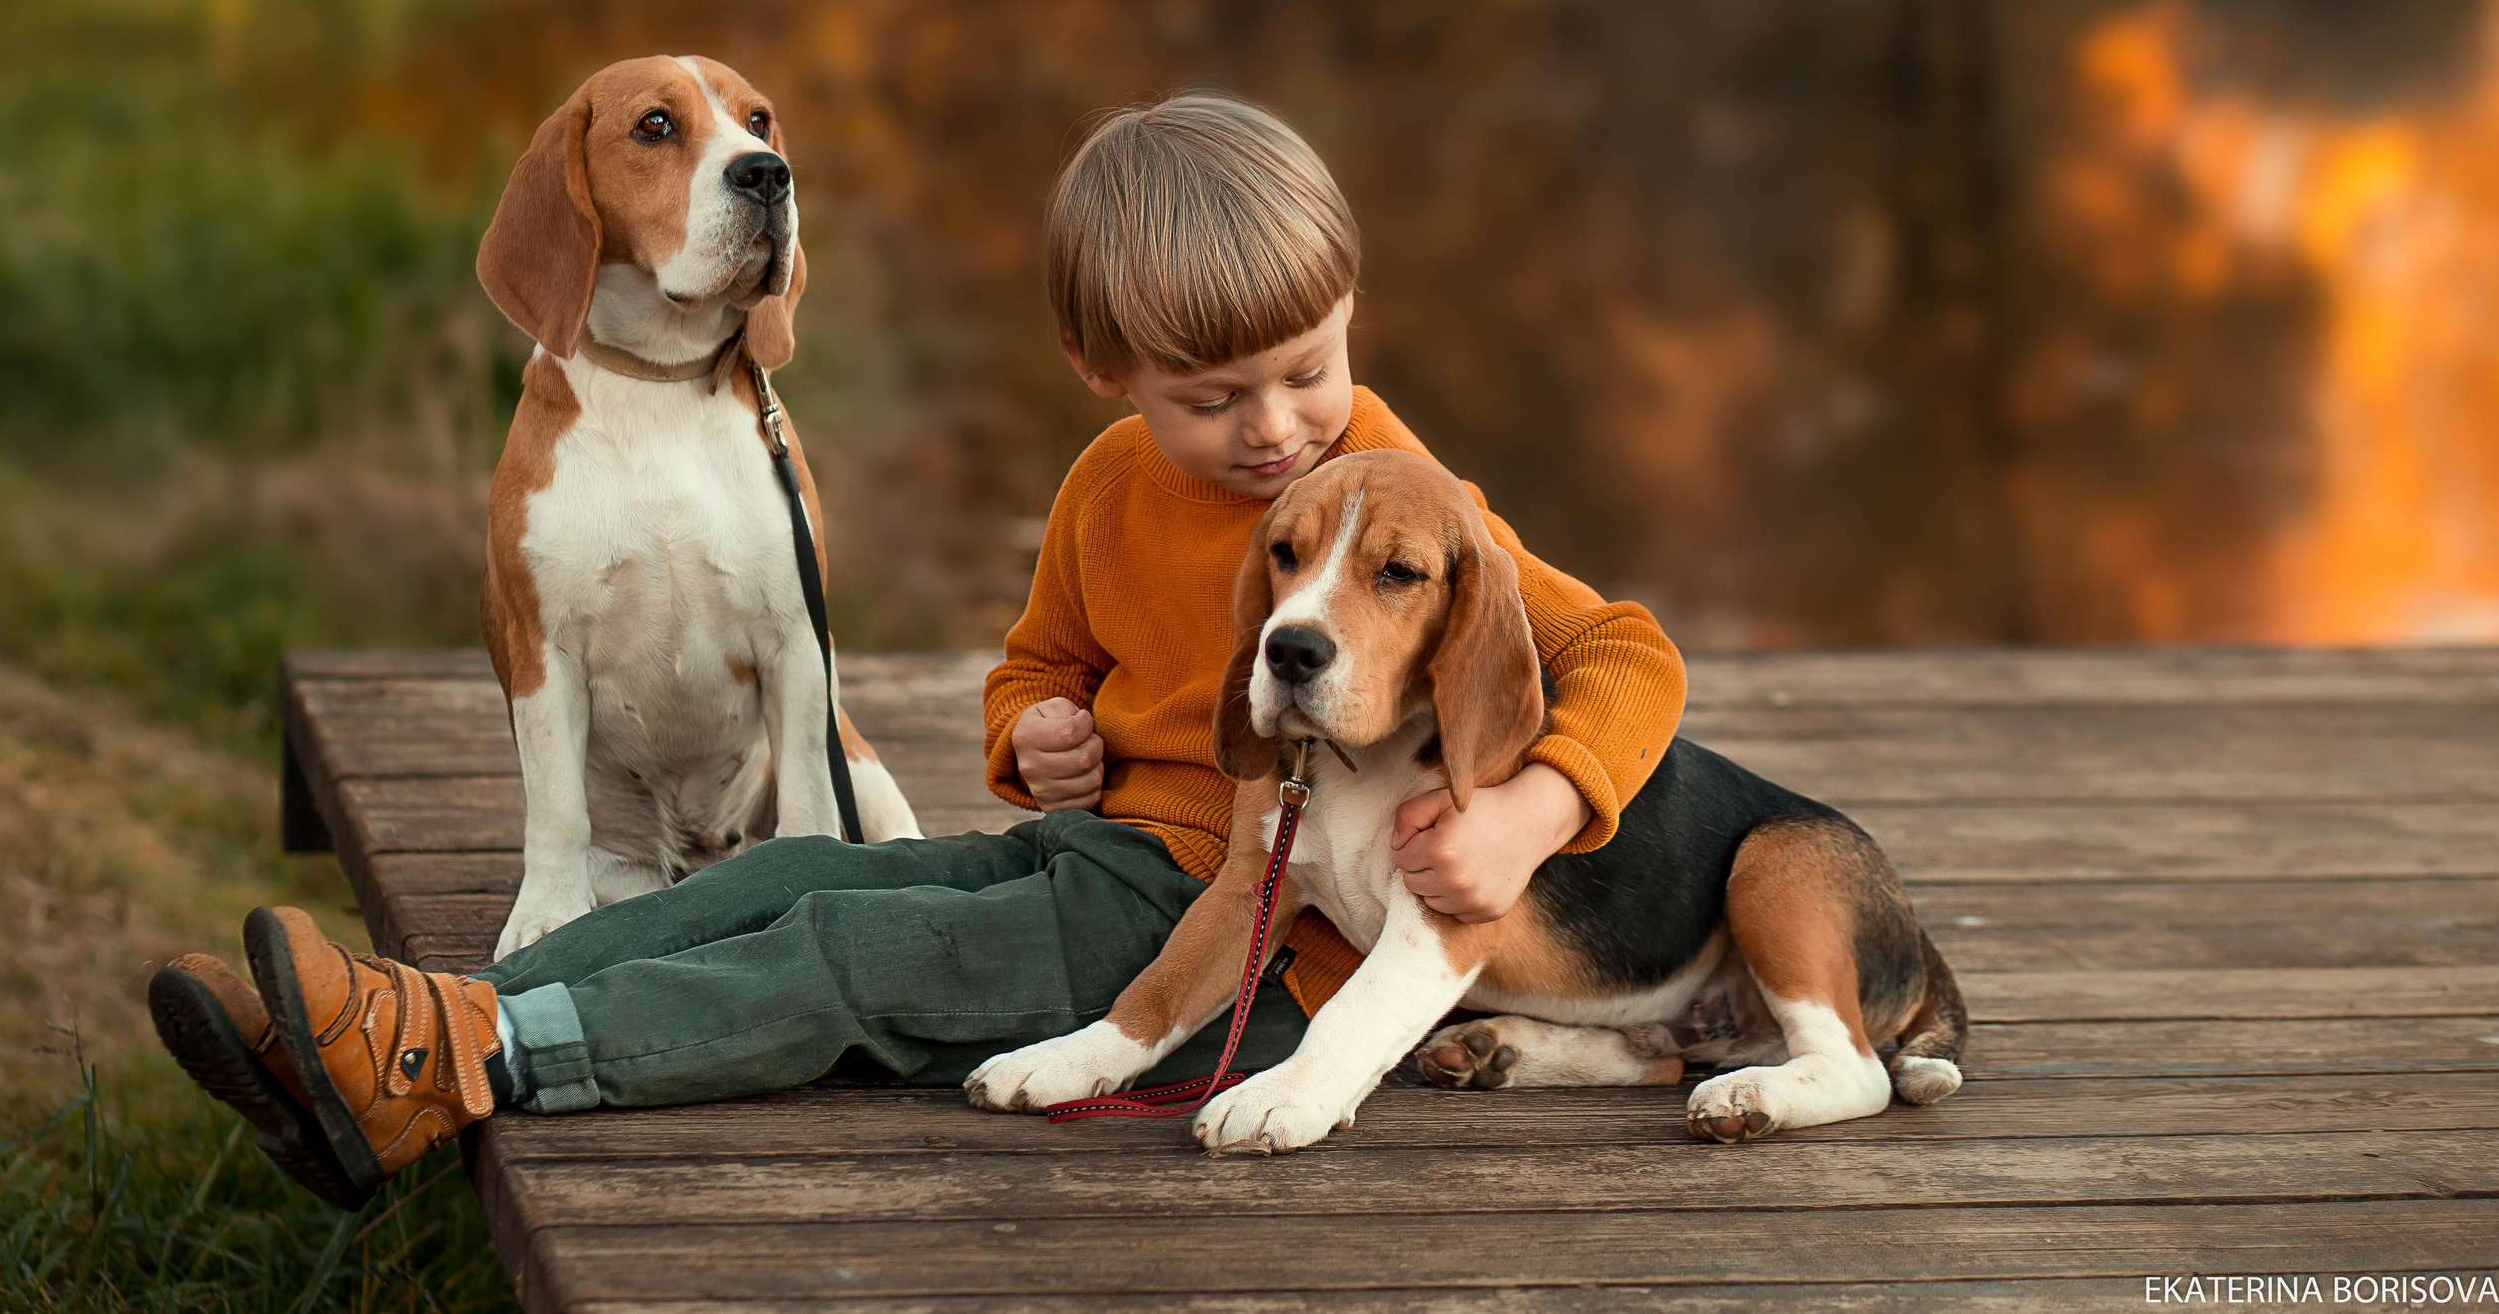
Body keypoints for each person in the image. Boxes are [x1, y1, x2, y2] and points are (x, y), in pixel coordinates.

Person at [146, 91, 1689, 1206]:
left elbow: (1628, 654)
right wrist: (1038, 740)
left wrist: (1531, 807)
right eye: (1212, 398)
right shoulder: (1106, 486)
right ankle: (408, 1020)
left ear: (1351, 321)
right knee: (784, 878)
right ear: (1107, 371)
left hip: (1251, 936)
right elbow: (1033, 671)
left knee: (849, 962)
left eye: (1308, 372)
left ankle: (472, 1065)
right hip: (1102, 856)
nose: (1278, 430)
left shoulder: (1393, 493)